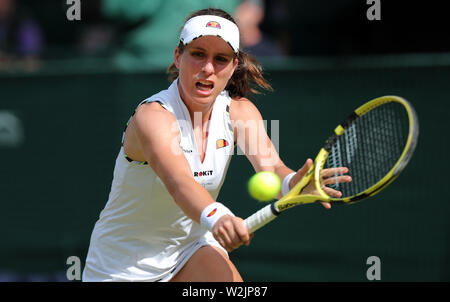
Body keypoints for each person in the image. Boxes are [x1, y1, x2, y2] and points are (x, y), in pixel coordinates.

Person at [83, 7, 350, 282]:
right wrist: (218, 217)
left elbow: (272, 167)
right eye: (198, 54)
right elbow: (179, 182)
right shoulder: (152, 116)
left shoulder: (240, 112)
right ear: (178, 56)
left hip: (189, 251)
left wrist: (293, 183)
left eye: (220, 59)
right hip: (119, 268)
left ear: (234, 66)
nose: (208, 68)